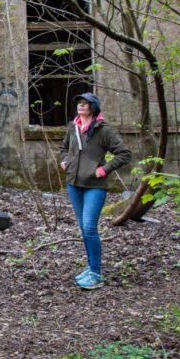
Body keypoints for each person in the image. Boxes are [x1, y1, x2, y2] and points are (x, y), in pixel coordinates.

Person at [60, 92, 131, 290]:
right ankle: (90, 267)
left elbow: (124, 154)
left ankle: (96, 273)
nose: (81, 106)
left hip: (94, 186)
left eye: (86, 104)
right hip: (73, 184)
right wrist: (65, 161)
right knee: (84, 228)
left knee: (90, 226)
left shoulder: (103, 130)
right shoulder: (73, 127)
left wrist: (103, 169)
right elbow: (64, 147)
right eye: (79, 103)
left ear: (93, 107)